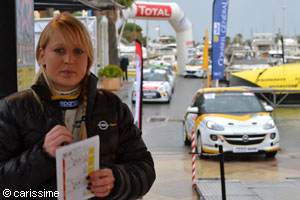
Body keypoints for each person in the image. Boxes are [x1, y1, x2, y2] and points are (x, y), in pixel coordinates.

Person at [0, 12, 155, 199]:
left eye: (78, 52)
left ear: (88, 59)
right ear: (41, 56)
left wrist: (117, 180)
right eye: (59, 50)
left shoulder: (112, 106)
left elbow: (144, 169)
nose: (69, 60)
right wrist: (42, 155)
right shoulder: (13, 108)